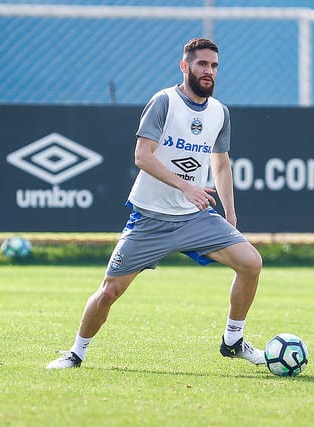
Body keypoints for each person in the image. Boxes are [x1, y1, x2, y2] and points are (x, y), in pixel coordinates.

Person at [46, 38, 265, 369]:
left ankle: (233, 340)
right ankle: (76, 352)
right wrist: (187, 187)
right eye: (202, 64)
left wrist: (230, 213)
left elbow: (221, 164)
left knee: (251, 263)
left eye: (214, 66)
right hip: (150, 220)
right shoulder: (164, 102)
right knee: (108, 293)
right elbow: (142, 156)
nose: (209, 72)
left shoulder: (220, 113)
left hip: (196, 219)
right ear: (185, 66)